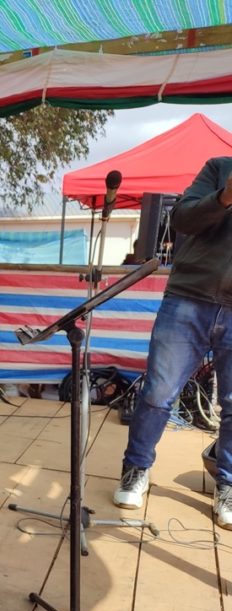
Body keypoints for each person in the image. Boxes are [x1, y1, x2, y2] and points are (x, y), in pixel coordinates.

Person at [114, 156, 232, 529]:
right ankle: (135, 469)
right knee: (157, 393)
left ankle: (227, 484)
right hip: (188, 298)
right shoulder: (219, 168)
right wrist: (225, 197)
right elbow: (181, 220)